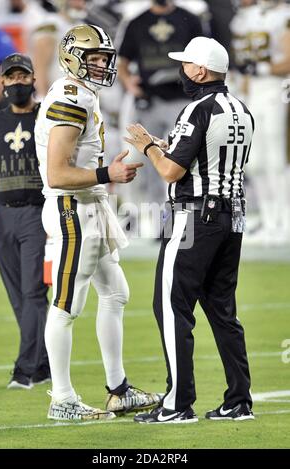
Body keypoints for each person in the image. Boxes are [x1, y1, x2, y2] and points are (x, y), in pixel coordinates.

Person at [35, 24, 161, 421]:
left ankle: (118, 389)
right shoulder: (71, 98)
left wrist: (106, 179)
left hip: (91, 203)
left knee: (116, 292)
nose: (103, 65)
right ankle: (62, 398)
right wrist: (109, 174)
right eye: (95, 59)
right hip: (73, 207)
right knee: (67, 305)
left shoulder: (83, 93)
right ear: (73, 58)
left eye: (105, 58)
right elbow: (57, 173)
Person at [125, 36, 255, 423]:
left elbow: (171, 171)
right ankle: (238, 401)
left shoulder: (197, 108)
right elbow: (212, 158)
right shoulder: (242, 109)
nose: (182, 71)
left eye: (186, 65)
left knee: (170, 305)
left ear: (200, 70)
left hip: (195, 217)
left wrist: (148, 145)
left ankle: (177, 403)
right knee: (222, 310)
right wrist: (168, 146)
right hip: (233, 217)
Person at [116, 0, 203, 237]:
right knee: (150, 164)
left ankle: (188, 220)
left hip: (181, 100)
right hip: (149, 100)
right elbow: (121, 61)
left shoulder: (190, 19)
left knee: (184, 161)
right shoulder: (138, 22)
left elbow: (203, 59)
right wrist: (129, 82)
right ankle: (158, 224)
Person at [0, 53, 50, 389]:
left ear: (32, 80)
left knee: (33, 293)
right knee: (18, 296)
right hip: (4, 215)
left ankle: (24, 370)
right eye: (11, 79)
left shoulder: (46, 119)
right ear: (2, 83)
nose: (16, 83)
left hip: (37, 213)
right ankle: (42, 364)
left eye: (22, 78)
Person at [230, 0, 290, 244]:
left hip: (277, 89)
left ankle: (285, 222)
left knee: (276, 159)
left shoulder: (284, 15)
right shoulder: (242, 19)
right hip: (251, 91)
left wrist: (264, 69)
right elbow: (242, 63)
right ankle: (269, 220)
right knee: (254, 162)